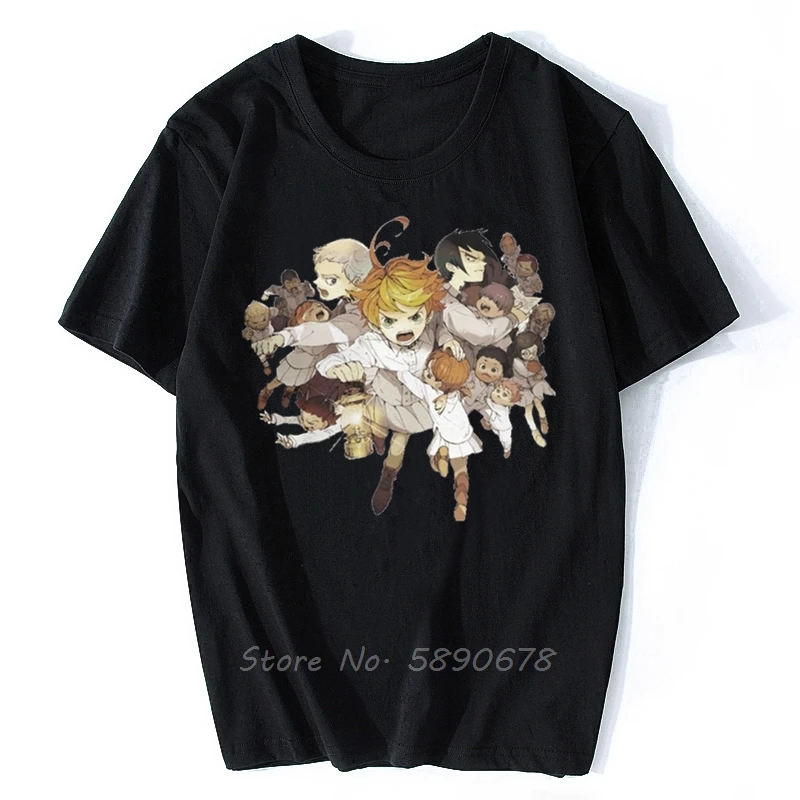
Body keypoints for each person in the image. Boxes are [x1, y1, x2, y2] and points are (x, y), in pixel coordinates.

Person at [316, 217, 463, 515]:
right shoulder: (373, 342)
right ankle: (387, 472)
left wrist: (448, 341)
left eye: (414, 316)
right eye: (390, 320)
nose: (404, 327)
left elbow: (439, 325)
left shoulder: (431, 323)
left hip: (423, 399)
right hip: (391, 398)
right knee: (389, 431)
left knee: (426, 432)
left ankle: (412, 468)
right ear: (375, 319)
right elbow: (335, 360)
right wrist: (336, 368)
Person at [396, 349, 481, 521]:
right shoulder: (454, 392)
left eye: (429, 373)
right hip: (462, 433)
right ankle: (462, 500)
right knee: (461, 469)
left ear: (439, 382)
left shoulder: (429, 391)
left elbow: (407, 379)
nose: (425, 373)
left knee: (434, 464)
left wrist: (400, 366)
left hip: (446, 434)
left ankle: (439, 457)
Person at [257, 301, 334, 409]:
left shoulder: (329, 329)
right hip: (296, 363)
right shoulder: (305, 331)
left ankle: (288, 393)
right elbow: (294, 335)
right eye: (311, 311)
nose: (318, 309)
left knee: (297, 381)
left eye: (319, 306)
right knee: (281, 379)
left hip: (310, 365)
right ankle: (266, 391)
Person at [509, 331, 556, 447]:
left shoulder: (534, 360)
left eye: (534, 352)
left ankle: (543, 419)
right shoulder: (516, 362)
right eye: (526, 353)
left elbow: (541, 370)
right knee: (528, 411)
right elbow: (520, 375)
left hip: (535, 384)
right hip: (523, 388)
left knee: (538, 403)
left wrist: (540, 374)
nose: (531, 355)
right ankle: (535, 432)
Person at [259, 395, 341, 449]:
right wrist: (273, 418)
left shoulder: (335, 425)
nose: (306, 428)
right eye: (302, 420)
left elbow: (314, 436)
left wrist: (294, 440)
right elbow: (294, 419)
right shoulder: (320, 413)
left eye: (311, 425)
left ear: (325, 423)